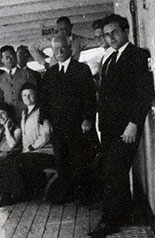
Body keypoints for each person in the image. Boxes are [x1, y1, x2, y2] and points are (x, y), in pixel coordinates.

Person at [86, 14, 154, 238]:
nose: (111, 37)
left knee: (113, 174)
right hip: (107, 128)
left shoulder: (137, 55)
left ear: (126, 31)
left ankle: (108, 223)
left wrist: (133, 123)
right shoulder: (109, 59)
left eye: (115, 32)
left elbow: (144, 93)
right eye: (107, 34)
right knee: (115, 173)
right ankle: (122, 215)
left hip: (125, 129)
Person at [42, 34, 99, 204]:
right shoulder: (50, 73)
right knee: (62, 162)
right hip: (58, 128)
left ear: (70, 48)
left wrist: (88, 118)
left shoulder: (81, 69)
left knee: (80, 161)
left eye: (62, 48)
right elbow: (44, 101)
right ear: (52, 52)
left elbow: (90, 97)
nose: (59, 51)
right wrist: (45, 120)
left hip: (78, 127)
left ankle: (84, 196)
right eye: (55, 49)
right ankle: (67, 193)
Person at [0, 84, 55, 208]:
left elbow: (46, 135)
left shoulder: (42, 110)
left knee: (15, 162)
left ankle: (8, 195)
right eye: (24, 95)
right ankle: (9, 194)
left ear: (36, 95)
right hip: (30, 153)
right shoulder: (24, 113)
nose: (27, 97)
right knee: (9, 159)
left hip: (44, 152)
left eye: (30, 94)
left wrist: (32, 147)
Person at [30, 16, 98, 69]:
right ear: (57, 29)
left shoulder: (79, 40)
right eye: (61, 29)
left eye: (66, 28)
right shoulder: (53, 40)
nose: (64, 31)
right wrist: (44, 63)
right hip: (55, 71)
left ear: (71, 26)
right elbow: (32, 47)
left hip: (73, 71)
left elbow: (95, 42)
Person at [0, 45, 37, 118]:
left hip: (27, 114)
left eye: (11, 56)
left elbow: (35, 95)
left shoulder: (27, 74)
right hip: (10, 117)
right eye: (6, 57)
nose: (9, 59)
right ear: (2, 60)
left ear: (15, 56)